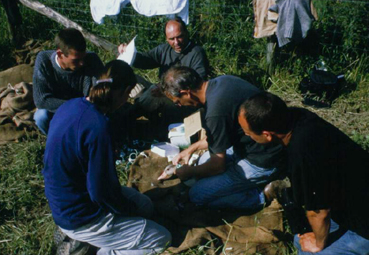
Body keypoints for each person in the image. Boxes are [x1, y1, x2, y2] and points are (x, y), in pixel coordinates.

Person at [42, 60, 171, 255]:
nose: (127, 101)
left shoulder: (72, 105)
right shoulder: (98, 127)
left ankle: (88, 238)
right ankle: (95, 245)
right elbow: (100, 192)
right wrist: (126, 210)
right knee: (161, 237)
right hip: (80, 214)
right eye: (128, 95)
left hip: (66, 196)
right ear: (124, 91)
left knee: (146, 206)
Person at [238, 92, 369, 254]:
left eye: (248, 132)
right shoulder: (299, 116)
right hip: (352, 195)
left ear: (267, 135)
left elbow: (319, 213)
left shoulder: (301, 152)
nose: (246, 134)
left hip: (363, 225)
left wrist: (318, 243)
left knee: (308, 251)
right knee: (300, 240)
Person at [159, 66, 286, 210]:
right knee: (203, 160)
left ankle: (262, 195)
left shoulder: (214, 114)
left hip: (264, 160)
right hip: (251, 145)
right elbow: (219, 136)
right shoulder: (223, 81)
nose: (180, 105)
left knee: (197, 195)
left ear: (186, 93)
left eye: (177, 101)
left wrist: (187, 171)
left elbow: (217, 167)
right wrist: (190, 149)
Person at [117, 17, 210, 138]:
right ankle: (127, 121)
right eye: (172, 39)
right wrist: (129, 53)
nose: (176, 42)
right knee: (133, 78)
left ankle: (124, 123)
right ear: (166, 38)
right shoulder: (164, 49)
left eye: (179, 37)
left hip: (185, 100)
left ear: (186, 33)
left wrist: (164, 91)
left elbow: (197, 83)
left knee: (151, 97)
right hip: (164, 91)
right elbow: (146, 60)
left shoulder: (196, 53)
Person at [33, 28, 104, 135]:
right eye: (76, 60)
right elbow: (41, 100)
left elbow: (101, 90)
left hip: (86, 113)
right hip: (59, 111)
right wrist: (78, 105)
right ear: (60, 54)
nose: (82, 63)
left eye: (83, 58)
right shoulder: (44, 60)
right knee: (41, 116)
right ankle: (56, 139)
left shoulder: (92, 60)